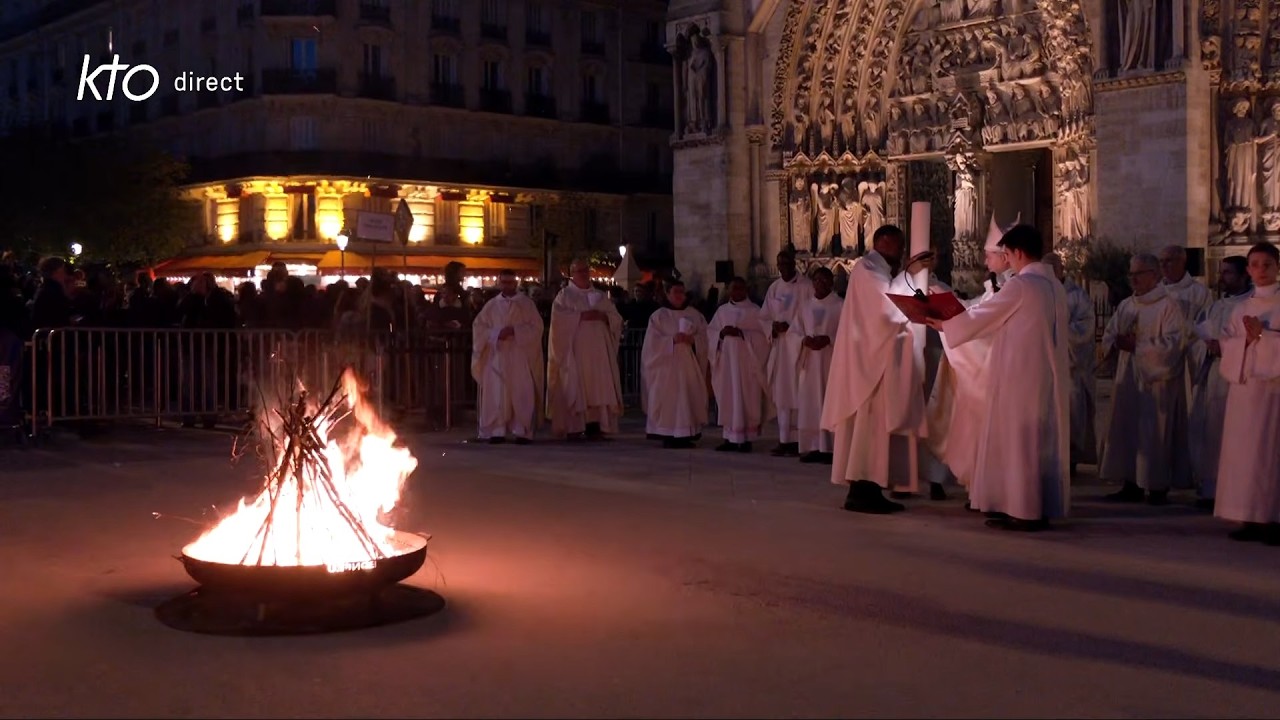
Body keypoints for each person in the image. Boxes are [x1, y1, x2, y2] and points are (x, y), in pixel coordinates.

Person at [926, 225, 1070, 531]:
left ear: (1018, 252)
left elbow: (983, 316)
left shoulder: (1022, 285)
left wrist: (945, 325)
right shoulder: (1053, 285)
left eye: (1007, 253)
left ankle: (1025, 510)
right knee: (1032, 444)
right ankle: (1027, 505)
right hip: (1041, 375)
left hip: (1019, 376)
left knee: (1018, 443)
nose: (1007, 260)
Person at [822, 225, 932, 513]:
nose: (902, 250)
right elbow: (888, 307)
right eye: (898, 244)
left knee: (874, 428)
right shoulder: (868, 268)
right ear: (882, 241)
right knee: (870, 427)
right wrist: (911, 273)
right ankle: (863, 490)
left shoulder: (879, 269)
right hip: (870, 368)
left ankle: (869, 488)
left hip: (877, 361)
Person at [926, 214, 1015, 497]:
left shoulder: (1012, 288)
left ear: (1005, 256)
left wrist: (949, 326)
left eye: (989, 256)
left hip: (996, 370)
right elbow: (975, 310)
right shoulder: (997, 287)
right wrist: (944, 299)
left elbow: (983, 322)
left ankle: (992, 489)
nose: (985, 262)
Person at [1098, 253, 1191, 504]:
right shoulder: (1127, 305)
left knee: (1153, 433)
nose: (1133, 279)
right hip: (1127, 377)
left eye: (1138, 273)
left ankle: (1156, 486)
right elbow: (1109, 333)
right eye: (1131, 274)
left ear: (1154, 275)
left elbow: (1175, 345)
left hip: (1155, 383)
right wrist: (1113, 343)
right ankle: (1130, 483)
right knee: (1127, 428)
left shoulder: (1169, 306)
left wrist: (1138, 346)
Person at [1214, 243, 1280, 544]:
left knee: (1269, 454)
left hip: (1272, 392)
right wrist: (1245, 342)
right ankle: (1248, 516)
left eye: (1267, 264)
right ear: (1249, 269)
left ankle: (1272, 518)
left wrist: (1263, 336)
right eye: (1255, 264)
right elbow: (1227, 343)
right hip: (1243, 391)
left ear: (1277, 267)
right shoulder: (1240, 309)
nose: (1261, 270)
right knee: (1243, 455)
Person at [1187, 256, 1251, 509]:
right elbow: (1198, 339)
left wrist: (1225, 348)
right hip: (1214, 374)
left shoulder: (1251, 305)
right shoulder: (1216, 307)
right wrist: (1207, 347)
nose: (1222, 277)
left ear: (1244, 275)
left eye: (1228, 273)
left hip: (1239, 379)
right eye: (1221, 272)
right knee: (1211, 435)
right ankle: (1211, 491)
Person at [546, 258, 624, 440]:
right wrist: (580, 316)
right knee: (577, 384)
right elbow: (558, 321)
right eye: (579, 271)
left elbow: (616, 318)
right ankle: (574, 426)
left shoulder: (600, 296)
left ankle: (596, 424)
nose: (583, 274)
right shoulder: (565, 296)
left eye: (585, 270)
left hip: (599, 351)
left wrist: (604, 317)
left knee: (598, 385)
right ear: (572, 274)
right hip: (575, 350)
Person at [471, 270, 545, 444]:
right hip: (497, 354)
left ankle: (522, 429)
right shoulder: (491, 305)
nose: (507, 286)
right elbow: (479, 327)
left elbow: (536, 328)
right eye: (504, 282)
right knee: (497, 391)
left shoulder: (526, 304)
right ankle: (497, 430)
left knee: (521, 390)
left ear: (515, 283)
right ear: (499, 283)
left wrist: (515, 331)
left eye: (510, 282)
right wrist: (496, 333)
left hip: (519, 354)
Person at [1043, 252, 1098, 475]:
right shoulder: (1040, 293)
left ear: (1060, 270)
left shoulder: (1076, 296)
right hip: (1045, 368)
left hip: (1070, 368)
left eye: (1052, 270)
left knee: (1071, 414)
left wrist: (1059, 331)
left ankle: (1071, 460)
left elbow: (1086, 326)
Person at [641, 281, 710, 449]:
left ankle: (686, 433)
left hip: (688, 366)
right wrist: (671, 340)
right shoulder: (659, 316)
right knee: (668, 399)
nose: (679, 295)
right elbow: (651, 344)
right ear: (668, 294)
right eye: (676, 292)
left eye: (682, 292)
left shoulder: (694, 315)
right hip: (665, 368)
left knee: (687, 397)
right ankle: (667, 434)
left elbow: (706, 336)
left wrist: (693, 340)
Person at [707, 277, 771, 452]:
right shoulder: (722, 312)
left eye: (741, 288)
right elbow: (710, 334)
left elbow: (764, 338)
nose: (737, 292)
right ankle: (729, 438)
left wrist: (743, 334)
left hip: (747, 366)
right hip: (727, 365)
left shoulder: (755, 311)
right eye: (734, 288)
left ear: (746, 290)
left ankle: (747, 439)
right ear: (729, 290)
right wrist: (721, 334)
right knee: (729, 397)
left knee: (747, 398)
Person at [759, 251, 812, 457]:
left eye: (787, 262)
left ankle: (800, 440)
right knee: (782, 393)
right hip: (781, 348)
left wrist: (793, 329)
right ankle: (784, 439)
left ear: (794, 263)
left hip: (800, 348)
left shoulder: (807, 286)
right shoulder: (774, 288)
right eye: (780, 263)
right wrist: (772, 327)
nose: (784, 266)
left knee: (799, 392)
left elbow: (812, 313)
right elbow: (764, 317)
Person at [796, 267, 842, 464]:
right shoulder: (805, 306)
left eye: (824, 280)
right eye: (816, 280)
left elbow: (849, 333)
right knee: (811, 403)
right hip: (810, 362)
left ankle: (831, 447)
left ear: (831, 282)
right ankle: (815, 446)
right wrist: (804, 340)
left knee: (829, 400)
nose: (820, 283)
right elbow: (794, 332)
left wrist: (829, 339)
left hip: (831, 361)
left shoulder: (840, 305)